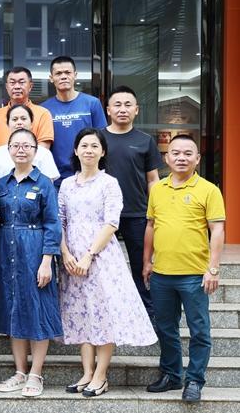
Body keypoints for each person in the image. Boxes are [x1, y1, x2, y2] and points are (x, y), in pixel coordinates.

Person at [58, 128, 157, 397]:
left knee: (103, 315)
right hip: (72, 259)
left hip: (101, 258)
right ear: (76, 150)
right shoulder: (66, 184)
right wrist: (66, 254)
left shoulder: (109, 183)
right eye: (84, 145)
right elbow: (60, 221)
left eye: (94, 146)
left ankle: (101, 376)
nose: (89, 150)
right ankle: (87, 373)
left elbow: (112, 223)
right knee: (80, 313)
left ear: (102, 152)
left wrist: (88, 255)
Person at [143, 134, 225, 403]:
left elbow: (217, 230)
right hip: (162, 275)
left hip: (194, 275)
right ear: (166, 158)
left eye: (188, 153)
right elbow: (151, 225)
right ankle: (172, 375)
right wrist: (147, 261)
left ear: (197, 159)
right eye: (176, 153)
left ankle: (194, 380)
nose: (181, 158)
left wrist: (213, 269)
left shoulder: (209, 190)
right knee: (166, 328)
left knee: (199, 330)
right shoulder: (157, 189)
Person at [0, 128, 62, 397]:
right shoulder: (1, 184)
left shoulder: (44, 183)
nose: (21, 150)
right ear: (8, 150)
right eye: (16, 145)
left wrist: (47, 261)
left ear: (36, 150)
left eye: (27, 146)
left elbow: (53, 223)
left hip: (35, 251)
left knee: (37, 309)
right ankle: (20, 372)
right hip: (6, 251)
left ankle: (36, 374)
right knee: (13, 308)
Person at [102, 86, 161, 319]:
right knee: (103, 267)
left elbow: (153, 179)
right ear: (108, 110)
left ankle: (148, 316)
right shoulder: (97, 139)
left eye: (128, 105)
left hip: (137, 213)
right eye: (117, 104)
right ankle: (108, 314)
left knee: (141, 266)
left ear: (136, 110)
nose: (122, 109)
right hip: (103, 215)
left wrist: (154, 210)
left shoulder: (145, 141)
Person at [41, 56, 107, 187]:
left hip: (89, 176)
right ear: (51, 78)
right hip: (55, 178)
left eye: (67, 72)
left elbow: (102, 140)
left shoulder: (92, 103)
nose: (63, 77)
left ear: (75, 75)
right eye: (58, 73)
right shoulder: (44, 109)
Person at [0, 104, 59, 181]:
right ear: (8, 124)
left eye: (23, 119)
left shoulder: (44, 153)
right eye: (15, 119)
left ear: (31, 124)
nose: (19, 122)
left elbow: (48, 185)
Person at [0, 66, 54, 148]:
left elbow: (43, 149)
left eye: (21, 82)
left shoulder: (43, 114)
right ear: (6, 87)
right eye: (12, 82)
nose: (17, 86)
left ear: (30, 86)